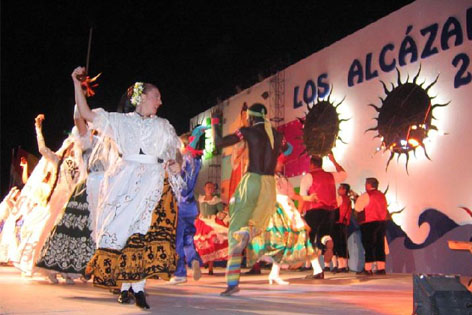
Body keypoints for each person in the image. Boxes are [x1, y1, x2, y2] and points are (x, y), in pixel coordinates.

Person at [72, 66, 182, 310]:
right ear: (142, 98)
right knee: (120, 231)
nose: (160, 101)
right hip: (123, 181)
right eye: (157, 97)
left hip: (153, 182)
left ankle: (139, 289)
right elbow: (86, 113)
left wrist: (176, 164)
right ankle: (124, 287)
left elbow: (175, 152)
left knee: (142, 233)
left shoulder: (163, 125)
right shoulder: (119, 121)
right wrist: (76, 84)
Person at [211, 103, 283, 296]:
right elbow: (287, 150)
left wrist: (215, 123)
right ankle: (248, 233)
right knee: (258, 222)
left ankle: (233, 283)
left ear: (250, 117)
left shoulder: (248, 131)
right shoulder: (277, 135)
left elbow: (218, 143)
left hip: (251, 182)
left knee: (235, 228)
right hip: (269, 186)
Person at [246, 151, 315, 285]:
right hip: (275, 209)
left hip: (287, 208)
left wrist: (307, 198)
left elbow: (293, 195)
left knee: (289, 238)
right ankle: (273, 272)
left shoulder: (283, 178)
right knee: (278, 240)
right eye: (279, 162)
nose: (281, 165)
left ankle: (274, 273)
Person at [168, 127, 207, 285]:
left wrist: (177, 173)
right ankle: (194, 260)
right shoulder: (196, 161)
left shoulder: (188, 162)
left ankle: (180, 273)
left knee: (178, 240)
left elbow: (184, 188)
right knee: (187, 239)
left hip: (182, 206)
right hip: (191, 207)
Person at [299, 153, 347, 279]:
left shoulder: (308, 177)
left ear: (311, 164)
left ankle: (317, 270)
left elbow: (303, 196)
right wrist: (334, 160)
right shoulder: (331, 175)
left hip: (314, 210)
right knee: (323, 235)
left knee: (308, 241)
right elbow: (344, 174)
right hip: (330, 212)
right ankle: (327, 241)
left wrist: (299, 213)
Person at [354, 177, 388, 275]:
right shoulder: (382, 196)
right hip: (381, 222)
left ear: (369, 185)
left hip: (369, 222)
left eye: (366, 184)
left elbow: (357, 208)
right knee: (379, 244)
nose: (365, 186)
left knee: (368, 245)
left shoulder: (366, 195)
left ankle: (368, 268)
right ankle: (381, 268)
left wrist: (356, 200)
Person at [194, 181, 229, 275]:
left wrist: (222, 213)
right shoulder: (201, 198)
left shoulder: (216, 200)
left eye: (211, 187)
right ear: (204, 188)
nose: (209, 189)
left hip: (211, 222)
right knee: (197, 242)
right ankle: (203, 262)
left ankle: (210, 267)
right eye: (208, 187)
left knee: (211, 243)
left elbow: (221, 211)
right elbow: (191, 193)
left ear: (214, 189)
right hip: (201, 223)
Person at [331, 183, 352, 273]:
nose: (338, 190)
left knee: (337, 244)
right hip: (344, 223)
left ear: (344, 190)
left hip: (337, 223)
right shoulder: (348, 200)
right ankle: (345, 265)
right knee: (343, 244)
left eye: (340, 188)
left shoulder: (340, 198)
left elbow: (334, 208)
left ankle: (340, 266)